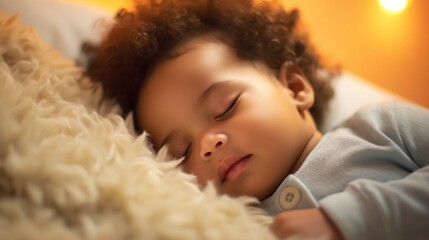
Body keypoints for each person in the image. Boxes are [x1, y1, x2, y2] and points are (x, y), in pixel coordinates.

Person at [86, 0, 429, 239]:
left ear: (294, 87)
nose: (207, 144)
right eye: (181, 151)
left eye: (226, 107)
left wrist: (352, 222)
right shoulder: (226, 223)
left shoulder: (383, 127)